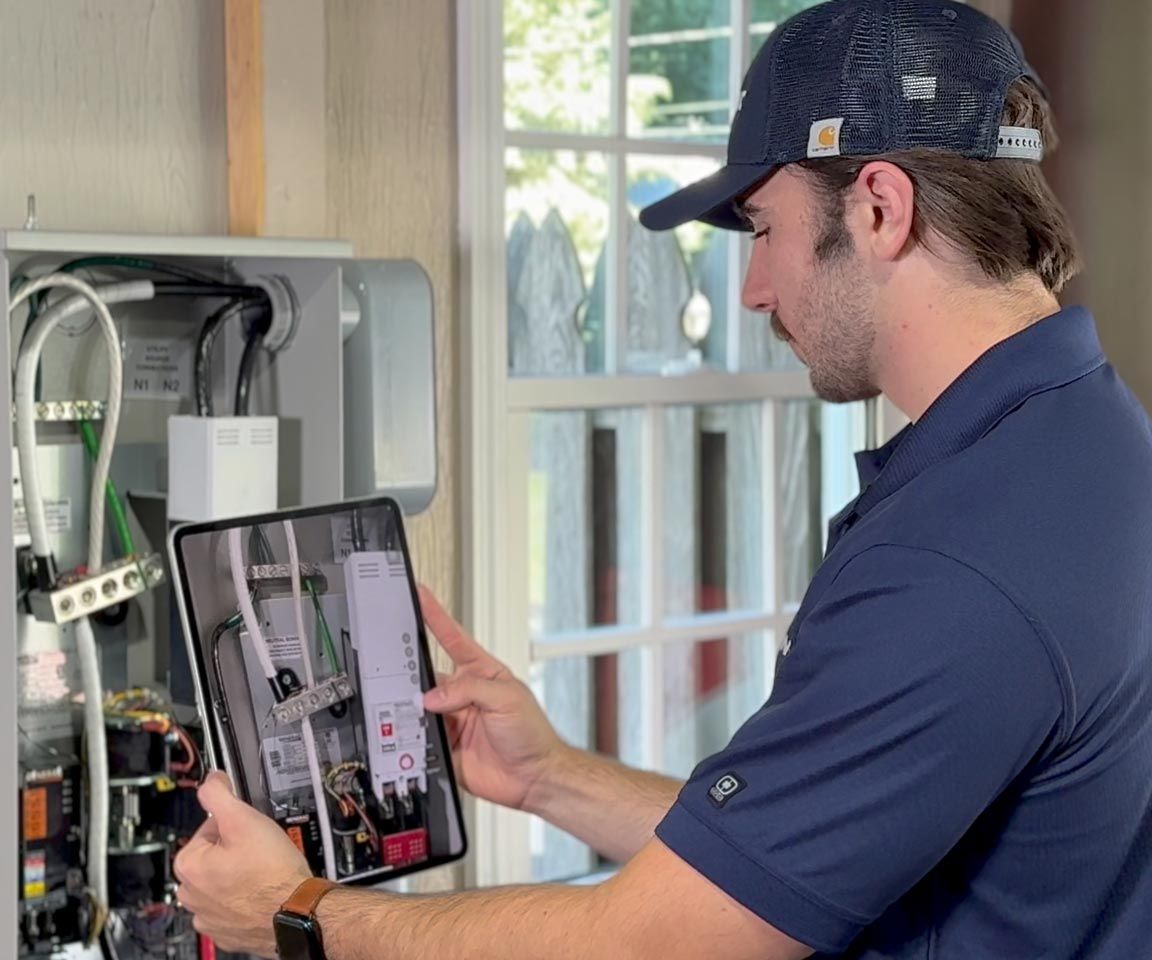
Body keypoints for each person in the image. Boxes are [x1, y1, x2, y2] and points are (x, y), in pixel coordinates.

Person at [174, 1, 1152, 957]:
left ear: (881, 210)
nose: (755, 289)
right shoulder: (1087, 445)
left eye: (765, 228)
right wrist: (555, 778)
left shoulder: (956, 555)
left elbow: (660, 937)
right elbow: (791, 862)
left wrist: (295, 913)